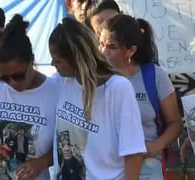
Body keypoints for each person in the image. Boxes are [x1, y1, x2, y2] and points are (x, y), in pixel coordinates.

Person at [49, 17, 146, 179]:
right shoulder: (62, 81)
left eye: (58, 60)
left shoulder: (118, 88)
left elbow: (133, 154)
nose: (52, 64)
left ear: (77, 58)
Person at [0, 14, 58, 180]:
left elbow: (65, 143)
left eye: (18, 76)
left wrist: (40, 164)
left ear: (31, 61)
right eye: (3, 78)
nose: (12, 83)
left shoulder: (55, 91)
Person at [98, 14, 183, 179]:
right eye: (101, 44)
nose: (103, 52)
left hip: (147, 167)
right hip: (108, 167)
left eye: (112, 46)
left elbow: (175, 124)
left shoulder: (155, 76)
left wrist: (156, 145)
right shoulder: (96, 79)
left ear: (131, 50)